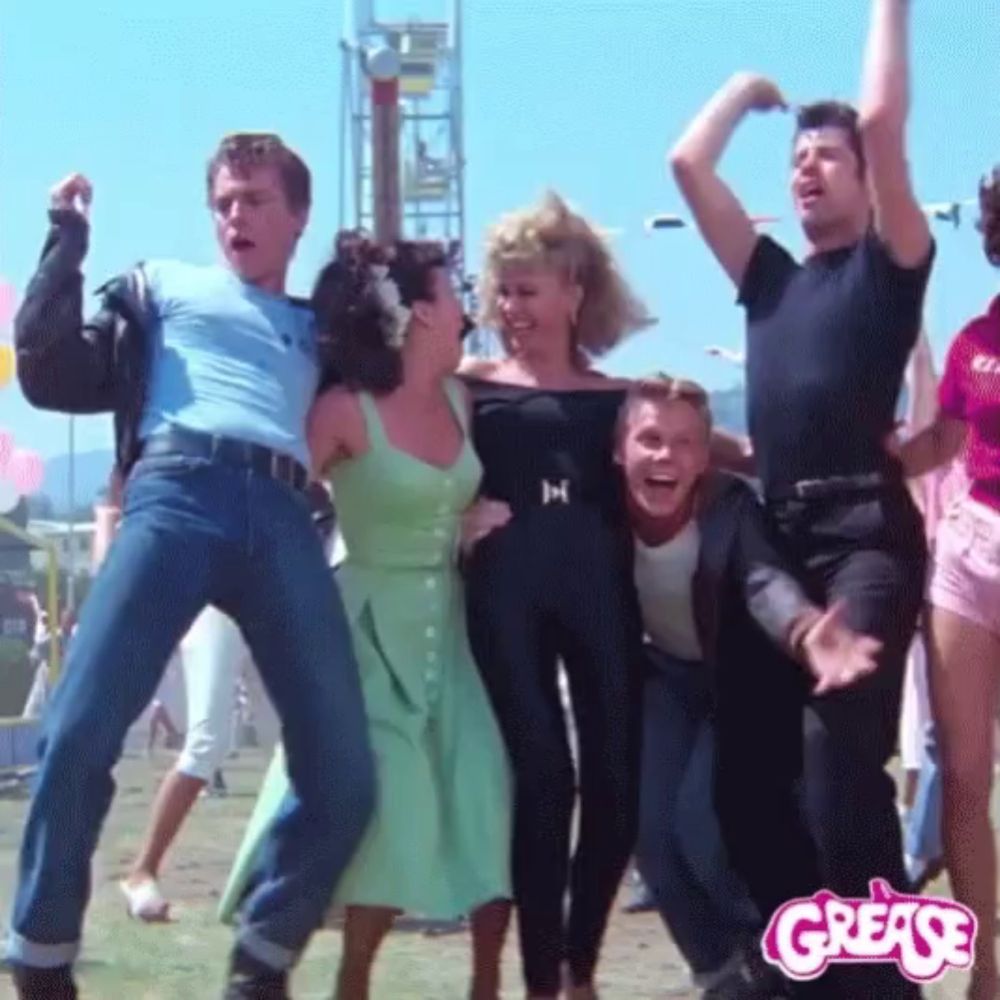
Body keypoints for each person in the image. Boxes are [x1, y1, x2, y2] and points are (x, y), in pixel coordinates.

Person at [8, 133, 375, 1000]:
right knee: (76, 732)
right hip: (177, 491)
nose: (233, 216)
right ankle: (41, 949)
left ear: (298, 217)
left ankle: (264, 955)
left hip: (285, 511)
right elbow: (47, 365)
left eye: (252, 200)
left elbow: (427, 382)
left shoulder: (328, 331)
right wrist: (66, 235)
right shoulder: (165, 287)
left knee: (346, 771)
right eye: (222, 202)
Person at [670, 3, 933, 997]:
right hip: (776, 540)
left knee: (836, 756)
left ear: (867, 179)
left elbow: (883, 118)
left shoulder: (888, 267)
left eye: (829, 155)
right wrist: (744, 92)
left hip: (865, 534)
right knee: (762, 777)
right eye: (797, 159)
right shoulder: (769, 279)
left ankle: (884, 977)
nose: (807, 168)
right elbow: (688, 168)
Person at [220, 233, 512, 1000]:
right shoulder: (345, 412)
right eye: (455, 296)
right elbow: (273, 506)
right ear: (419, 312)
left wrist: (473, 525)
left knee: (486, 792)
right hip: (365, 633)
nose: (467, 311)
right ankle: (350, 981)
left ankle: (490, 985)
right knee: (399, 804)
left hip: (448, 631)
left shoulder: (463, 398)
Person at [614, 376, 879, 1000]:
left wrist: (808, 631)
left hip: (739, 684)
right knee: (649, 835)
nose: (664, 457)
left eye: (683, 443)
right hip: (664, 681)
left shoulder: (730, 505)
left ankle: (781, 960)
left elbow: (766, 582)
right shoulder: (598, 513)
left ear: (706, 457)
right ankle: (720, 974)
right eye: (650, 439)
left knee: (703, 828)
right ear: (619, 448)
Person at [455, 191, 657, 1000]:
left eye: (527, 290)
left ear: (573, 293)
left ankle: (581, 965)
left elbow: (701, 450)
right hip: (504, 598)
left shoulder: (621, 400)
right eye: (501, 291)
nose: (511, 308)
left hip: (603, 597)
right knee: (545, 776)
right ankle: (542, 981)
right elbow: (404, 449)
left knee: (618, 781)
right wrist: (451, 514)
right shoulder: (467, 388)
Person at [896, 166, 1000, 1000]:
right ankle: (986, 970)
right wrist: (866, 451)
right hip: (970, 556)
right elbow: (940, 445)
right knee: (963, 776)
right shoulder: (976, 341)